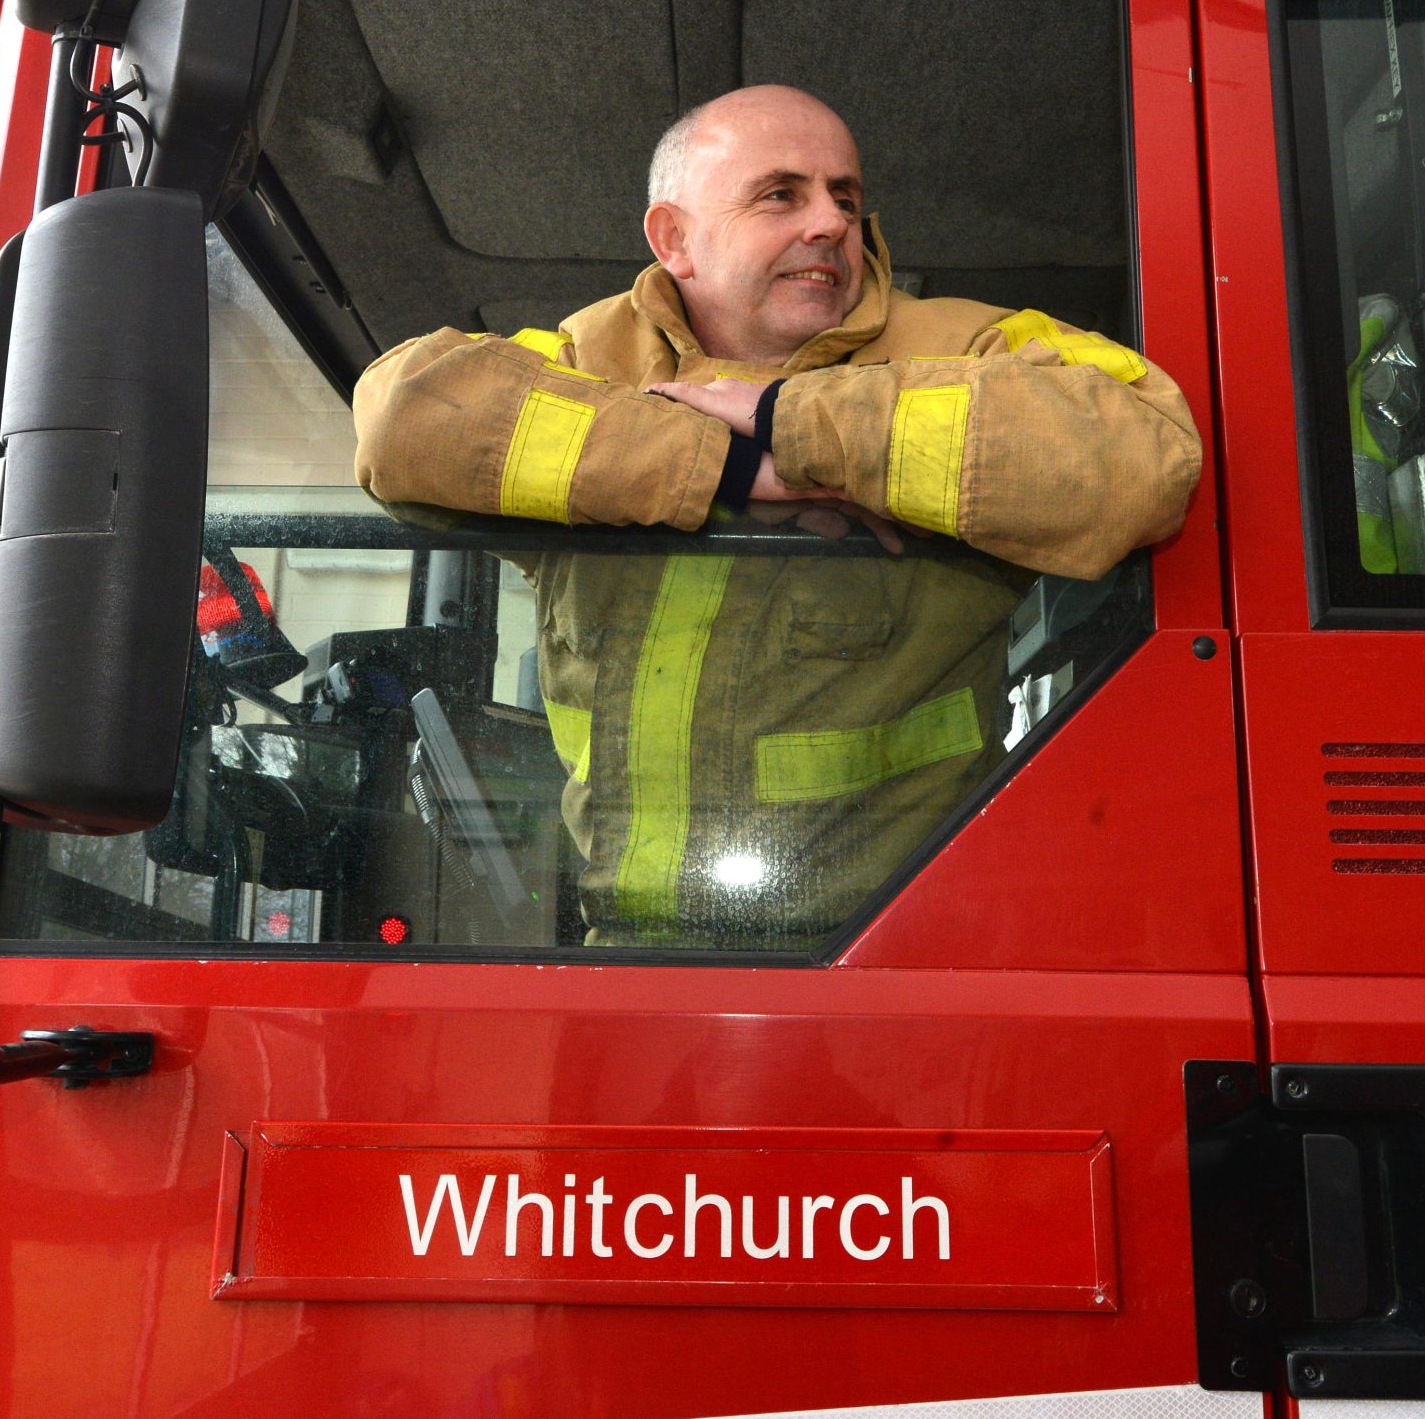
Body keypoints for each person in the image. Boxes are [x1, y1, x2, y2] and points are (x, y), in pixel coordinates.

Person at [354, 85, 1200, 946]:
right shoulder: (587, 359)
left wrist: (791, 425)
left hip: (893, 960)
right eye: (781, 194)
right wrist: (722, 466)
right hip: (628, 956)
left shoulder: (971, 347)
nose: (832, 223)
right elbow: (399, 418)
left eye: (847, 197)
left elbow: (1152, 455)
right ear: (673, 238)